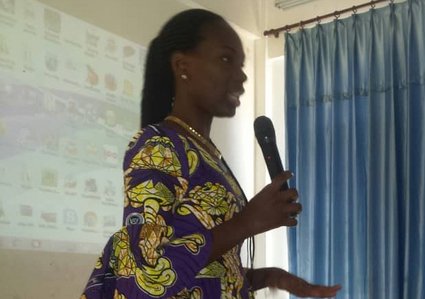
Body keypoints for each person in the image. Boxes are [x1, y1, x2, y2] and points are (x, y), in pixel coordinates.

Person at [81, 9, 341, 298]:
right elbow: (147, 275)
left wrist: (274, 276)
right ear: (183, 66)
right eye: (226, 59)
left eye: (241, 64)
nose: (241, 75)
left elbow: (208, 273)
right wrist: (247, 222)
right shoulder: (158, 146)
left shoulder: (207, 154)